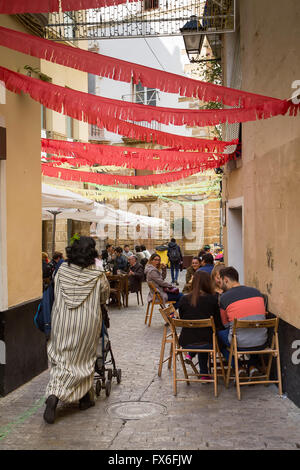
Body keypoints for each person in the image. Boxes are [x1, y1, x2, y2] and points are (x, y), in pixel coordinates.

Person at [43, 236, 110, 424]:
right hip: (87, 321)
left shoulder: (62, 269)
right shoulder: (98, 272)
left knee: (62, 356)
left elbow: (55, 289)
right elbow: (104, 295)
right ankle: (83, 399)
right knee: (83, 358)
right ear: (92, 252)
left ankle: (56, 396)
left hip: (62, 319)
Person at [217, 266, 267, 376]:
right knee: (252, 332)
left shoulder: (224, 298)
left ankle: (238, 367)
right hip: (262, 341)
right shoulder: (257, 292)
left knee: (218, 336)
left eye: (220, 282)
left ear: (226, 280)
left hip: (239, 343)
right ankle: (252, 366)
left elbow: (225, 325)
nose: (220, 285)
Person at [178, 271, 223, 379]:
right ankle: (205, 374)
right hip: (208, 342)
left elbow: (183, 318)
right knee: (208, 336)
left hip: (187, 341)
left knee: (200, 334)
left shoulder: (184, 299)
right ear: (208, 283)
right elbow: (218, 322)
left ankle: (203, 371)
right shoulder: (213, 299)